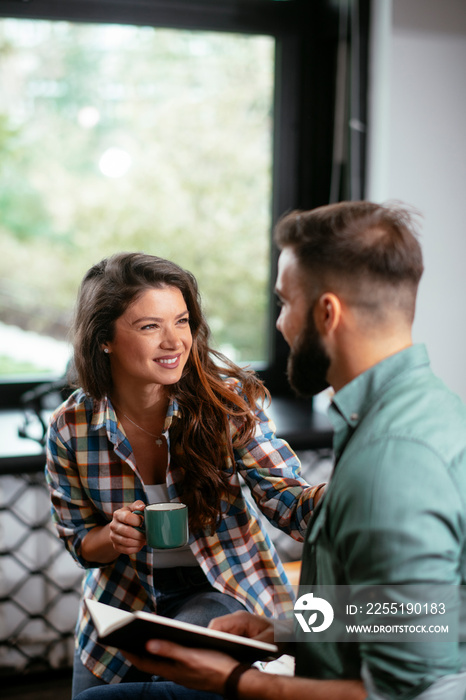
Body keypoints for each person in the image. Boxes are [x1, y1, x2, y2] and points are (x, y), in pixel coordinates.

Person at [74, 201, 466, 700]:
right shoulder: (417, 412)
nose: (279, 324)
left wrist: (238, 680)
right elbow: (435, 611)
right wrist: (284, 630)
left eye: (284, 302)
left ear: (327, 313)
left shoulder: (391, 464)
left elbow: (412, 693)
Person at [45, 252, 324, 698]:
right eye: (150, 326)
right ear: (104, 339)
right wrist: (112, 538)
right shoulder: (70, 426)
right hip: (123, 600)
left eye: (181, 321)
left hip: (219, 591)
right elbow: (80, 542)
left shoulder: (226, 404)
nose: (175, 341)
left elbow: (289, 502)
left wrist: (355, 492)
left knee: (171, 683)